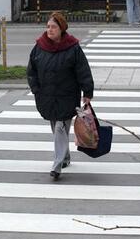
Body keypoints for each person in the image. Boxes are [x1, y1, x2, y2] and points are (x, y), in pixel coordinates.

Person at [27, 12, 94, 180]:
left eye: (53, 27)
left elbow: (83, 71)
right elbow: (31, 71)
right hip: (47, 96)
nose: (50, 30)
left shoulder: (72, 47)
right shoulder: (39, 46)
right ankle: (65, 156)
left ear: (62, 28)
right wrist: (35, 89)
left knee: (59, 128)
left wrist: (87, 92)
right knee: (57, 129)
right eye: (48, 26)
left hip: (67, 96)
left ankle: (57, 165)